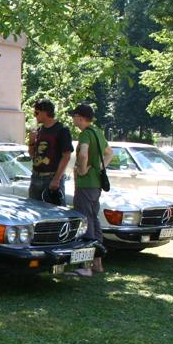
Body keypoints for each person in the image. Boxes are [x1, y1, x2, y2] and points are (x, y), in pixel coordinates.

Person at [69, 103, 113, 274]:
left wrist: (82, 169)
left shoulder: (86, 134)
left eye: (74, 116)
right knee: (94, 220)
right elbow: (110, 153)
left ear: (80, 117)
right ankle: (97, 263)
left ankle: (86, 266)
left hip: (85, 185)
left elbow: (83, 154)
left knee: (85, 221)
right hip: (96, 185)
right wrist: (100, 169)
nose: (73, 119)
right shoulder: (98, 132)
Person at [27, 99, 73, 205]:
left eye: (36, 112)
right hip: (36, 176)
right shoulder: (39, 131)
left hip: (52, 178)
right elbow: (32, 155)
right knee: (33, 211)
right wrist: (31, 142)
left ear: (44, 112)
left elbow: (66, 156)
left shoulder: (62, 130)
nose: (35, 116)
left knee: (55, 214)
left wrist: (57, 179)